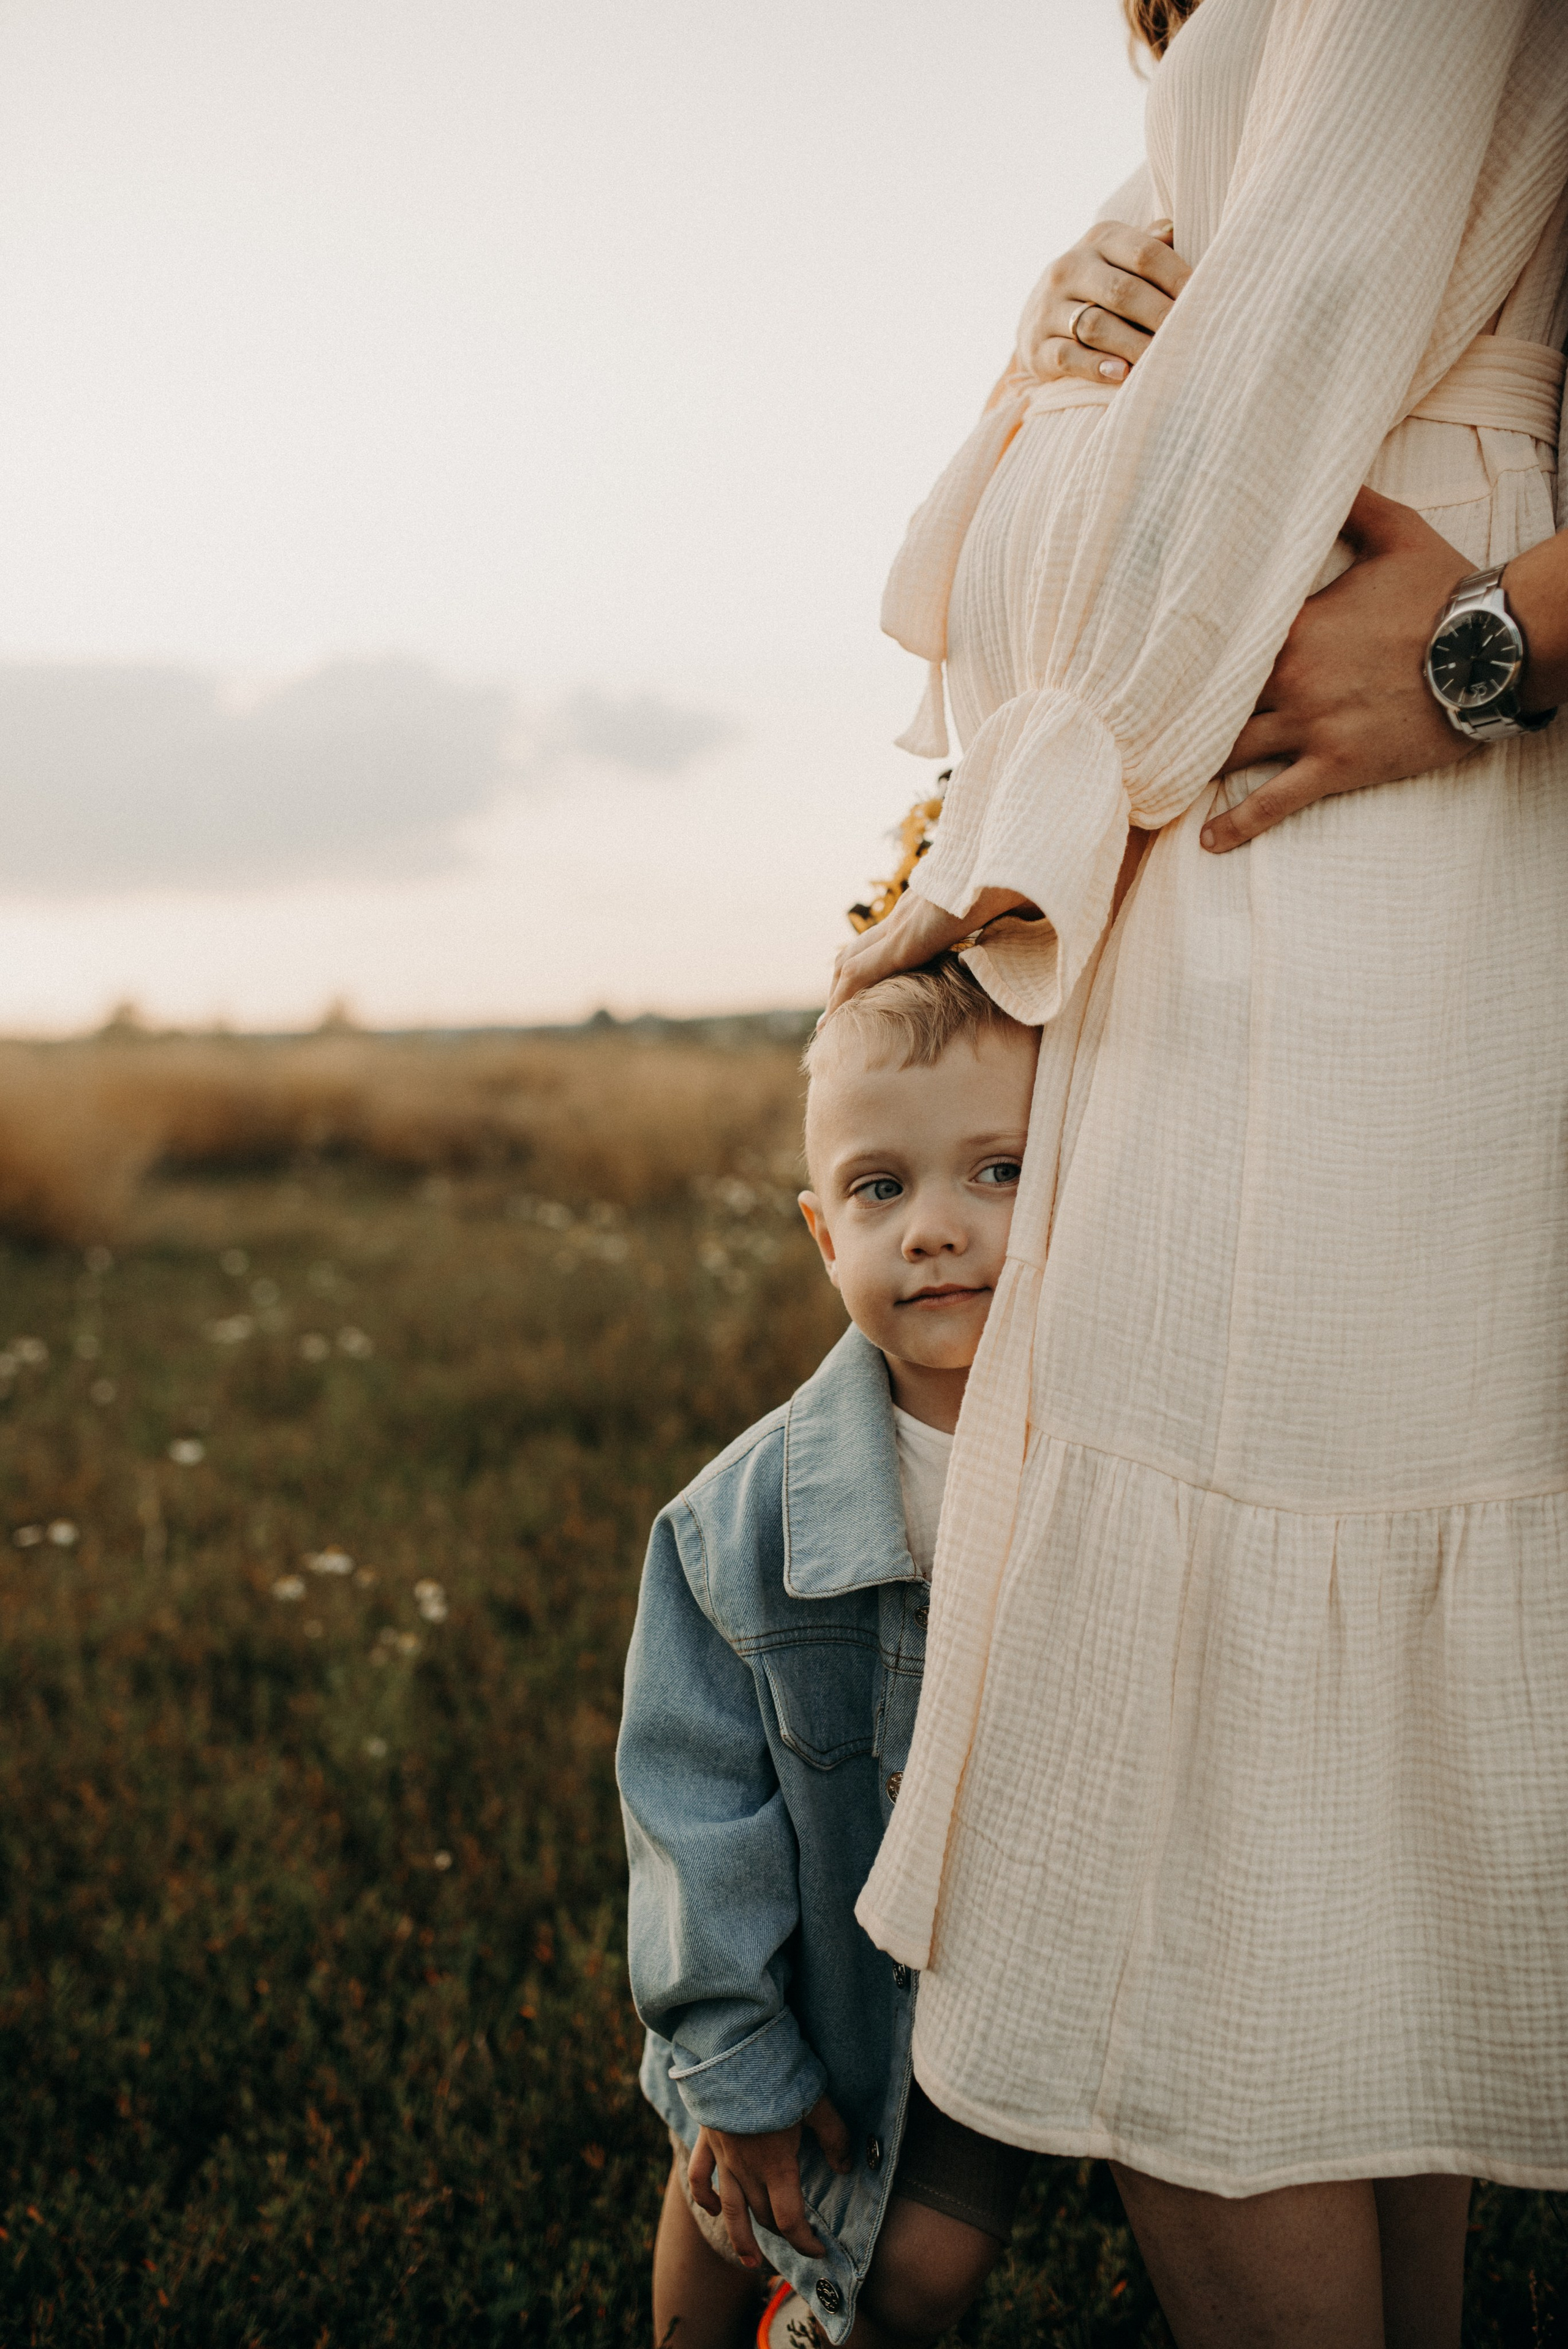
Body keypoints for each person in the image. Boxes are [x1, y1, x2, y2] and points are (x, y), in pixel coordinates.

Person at [823, 1, 1568, 2343]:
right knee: (1305, 1823)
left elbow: (1285, 368)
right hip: (1275, 846)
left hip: (1276, 841)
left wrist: (1010, 822)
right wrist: (1059, 356)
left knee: (1196, 1857)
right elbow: (1110, 425)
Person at [617, 959, 1040, 2349]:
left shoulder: (1103, 1480)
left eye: (997, 1173)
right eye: (880, 1189)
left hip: (1000, 1988)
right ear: (820, 1234)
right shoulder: (736, 1521)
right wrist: (734, 2054)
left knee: (914, 2276)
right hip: (809, 1988)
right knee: (737, 2204)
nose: (935, 1230)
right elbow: (690, 1804)